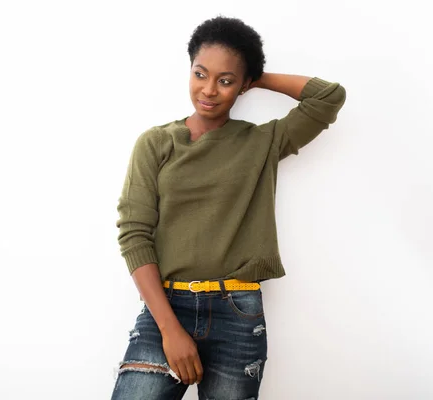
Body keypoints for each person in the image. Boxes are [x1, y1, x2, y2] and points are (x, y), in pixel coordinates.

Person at [111, 15, 346, 400]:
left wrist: (256, 74)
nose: (209, 89)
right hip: (165, 308)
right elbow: (134, 235)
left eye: (226, 80)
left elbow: (329, 96)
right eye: (200, 74)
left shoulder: (262, 142)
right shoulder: (155, 143)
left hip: (237, 312)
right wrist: (170, 330)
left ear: (243, 86)